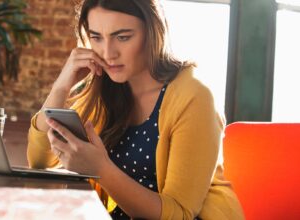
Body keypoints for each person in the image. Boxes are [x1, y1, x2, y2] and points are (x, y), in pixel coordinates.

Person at [27, 0, 244, 219]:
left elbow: (180, 213)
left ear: (152, 33)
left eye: (122, 37)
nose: (108, 53)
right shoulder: (108, 89)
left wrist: (101, 170)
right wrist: (61, 87)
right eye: (96, 37)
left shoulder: (194, 96)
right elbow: (40, 161)